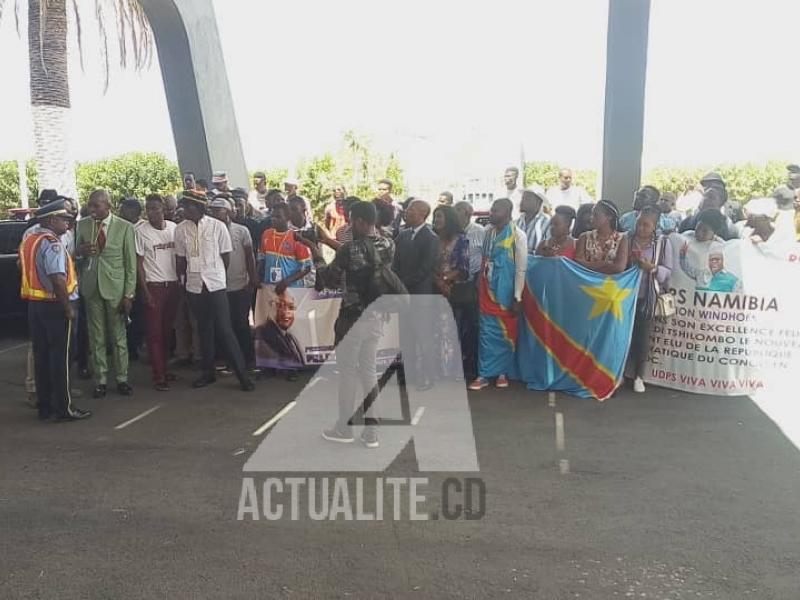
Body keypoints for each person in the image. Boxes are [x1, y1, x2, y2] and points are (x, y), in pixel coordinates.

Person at [313, 201, 395, 449]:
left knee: (347, 373)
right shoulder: (389, 243)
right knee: (369, 371)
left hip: (352, 318)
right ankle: (372, 432)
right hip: (376, 316)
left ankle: (344, 428)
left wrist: (316, 253)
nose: (348, 224)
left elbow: (329, 278)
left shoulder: (350, 250)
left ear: (360, 221)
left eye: (351, 220)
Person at [174, 190, 255, 391]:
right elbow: (180, 260)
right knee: (204, 330)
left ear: (200, 208)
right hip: (194, 285)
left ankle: (242, 376)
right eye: (184, 206)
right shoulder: (180, 229)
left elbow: (225, 258)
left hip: (216, 285)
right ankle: (207, 373)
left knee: (225, 329)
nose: (185, 210)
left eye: (190, 206)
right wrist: (184, 282)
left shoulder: (217, 227)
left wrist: (215, 275)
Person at [20, 199, 91, 421]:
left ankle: (45, 406)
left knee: (42, 357)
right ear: (52, 220)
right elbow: (58, 279)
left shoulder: (30, 240)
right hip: (55, 306)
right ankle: (64, 407)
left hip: (36, 305)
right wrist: (68, 306)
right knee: (62, 359)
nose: (68, 224)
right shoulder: (52, 243)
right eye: (65, 220)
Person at [75, 189, 137, 398]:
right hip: (92, 287)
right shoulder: (82, 225)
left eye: (96, 205)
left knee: (118, 336)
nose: (92, 209)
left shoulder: (124, 227)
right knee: (96, 336)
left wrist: (129, 294)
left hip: (116, 290)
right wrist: (81, 253)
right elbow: (75, 257)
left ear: (107, 205)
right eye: (90, 205)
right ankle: (100, 379)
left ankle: (122, 378)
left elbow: (131, 264)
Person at [468, 198, 528, 391]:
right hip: (487, 290)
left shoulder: (518, 236)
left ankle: (502, 372)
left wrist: (517, 296)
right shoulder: (488, 233)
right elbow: (484, 261)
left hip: (507, 292)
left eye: (496, 210)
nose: (491, 213)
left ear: (508, 212)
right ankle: (484, 374)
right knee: (486, 333)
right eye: (492, 210)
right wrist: (479, 285)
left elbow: (521, 269)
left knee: (506, 333)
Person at [392, 199, 440, 390]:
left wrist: (401, 283)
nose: (406, 212)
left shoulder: (431, 237)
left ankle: (428, 376)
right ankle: (409, 374)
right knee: (406, 337)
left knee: (423, 337)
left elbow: (425, 268)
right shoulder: (402, 235)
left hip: (420, 296)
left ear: (422, 214)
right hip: (403, 296)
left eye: (411, 210)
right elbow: (394, 262)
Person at [626, 206, 673, 393]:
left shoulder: (662, 243)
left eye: (646, 225)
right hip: (626, 295)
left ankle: (639, 376)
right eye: (639, 223)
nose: (641, 228)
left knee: (643, 338)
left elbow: (668, 270)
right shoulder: (627, 239)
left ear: (655, 226)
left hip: (648, 296)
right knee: (624, 335)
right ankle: (621, 372)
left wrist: (651, 268)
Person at [135, 194, 180, 391]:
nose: (152, 212)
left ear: (163, 208)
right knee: (154, 334)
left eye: (155, 208)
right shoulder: (140, 231)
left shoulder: (173, 228)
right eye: (148, 208)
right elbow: (138, 263)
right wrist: (144, 290)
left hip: (173, 285)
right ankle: (158, 376)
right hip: (154, 285)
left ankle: (165, 368)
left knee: (167, 331)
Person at [210, 197, 257, 370]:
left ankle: (248, 359)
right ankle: (230, 360)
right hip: (219, 287)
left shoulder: (241, 230)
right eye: (212, 211)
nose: (214, 214)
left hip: (240, 285)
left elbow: (249, 256)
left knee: (241, 323)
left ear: (228, 211)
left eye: (218, 210)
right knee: (224, 325)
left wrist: (252, 279)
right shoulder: (210, 231)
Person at [432, 205, 470, 378]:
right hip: (433, 288)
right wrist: (438, 280)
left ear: (449, 219)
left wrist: (446, 280)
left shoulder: (461, 239)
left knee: (450, 330)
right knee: (433, 330)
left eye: (439, 216)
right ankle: (435, 369)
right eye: (434, 217)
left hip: (451, 291)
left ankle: (450, 370)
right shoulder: (432, 239)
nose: (436, 220)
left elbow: (464, 268)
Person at [453, 201, 485, 380]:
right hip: (453, 285)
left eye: (459, 211)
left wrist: (479, 282)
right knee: (455, 326)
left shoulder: (480, 231)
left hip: (472, 284)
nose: (455, 214)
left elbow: (485, 258)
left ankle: (471, 366)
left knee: (471, 326)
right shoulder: (452, 233)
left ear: (468, 213)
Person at [574, 199, 629, 274]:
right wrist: (604, 264)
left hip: (611, 284)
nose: (591, 217)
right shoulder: (584, 237)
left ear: (609, 217)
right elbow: (578, 264)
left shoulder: (622, 238)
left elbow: (619, 268)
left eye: (595, 215)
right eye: (592, 214)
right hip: (587, 283)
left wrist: (590, 266)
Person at [255, 287, 304, 367]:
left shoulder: (290, 336)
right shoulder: (265, 332)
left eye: (291, 308)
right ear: (271, 306)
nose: (286, 312)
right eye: (280, 306)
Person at [516, 189, 550, 254]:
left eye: (527, 199)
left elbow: (547, 251)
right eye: (522, 198)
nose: (522, 202)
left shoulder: (547, 223)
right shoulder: (517, 221)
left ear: (538, 203)